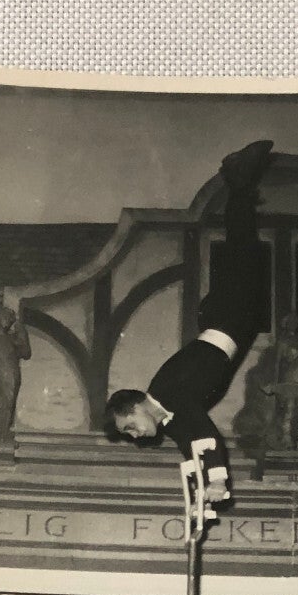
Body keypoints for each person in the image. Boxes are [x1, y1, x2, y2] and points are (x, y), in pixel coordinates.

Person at [102, 140, 276, 515]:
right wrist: (200, 492)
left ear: (136, 405)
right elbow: (190, 443)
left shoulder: (167, 394)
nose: (134, 437)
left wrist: (216, 480)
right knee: (242, 249)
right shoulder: (169, 417)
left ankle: (238, 179)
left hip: (228, 316)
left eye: (129, 426)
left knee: (243, 248)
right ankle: (240, 186)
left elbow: (205, 433)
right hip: (227, 320)